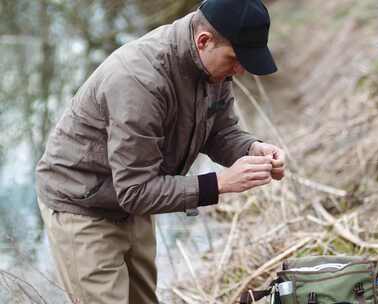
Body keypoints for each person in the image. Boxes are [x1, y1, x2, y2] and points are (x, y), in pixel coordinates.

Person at [35, 0, 285, 303]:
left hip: (134, 196)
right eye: (236, 59)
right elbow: (135, 190)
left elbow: (220, 131)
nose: (241, 70)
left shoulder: (213, 67)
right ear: (203, 41)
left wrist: (251, 148)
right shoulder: (139, 81)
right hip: (83, 205)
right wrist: (218, 183)